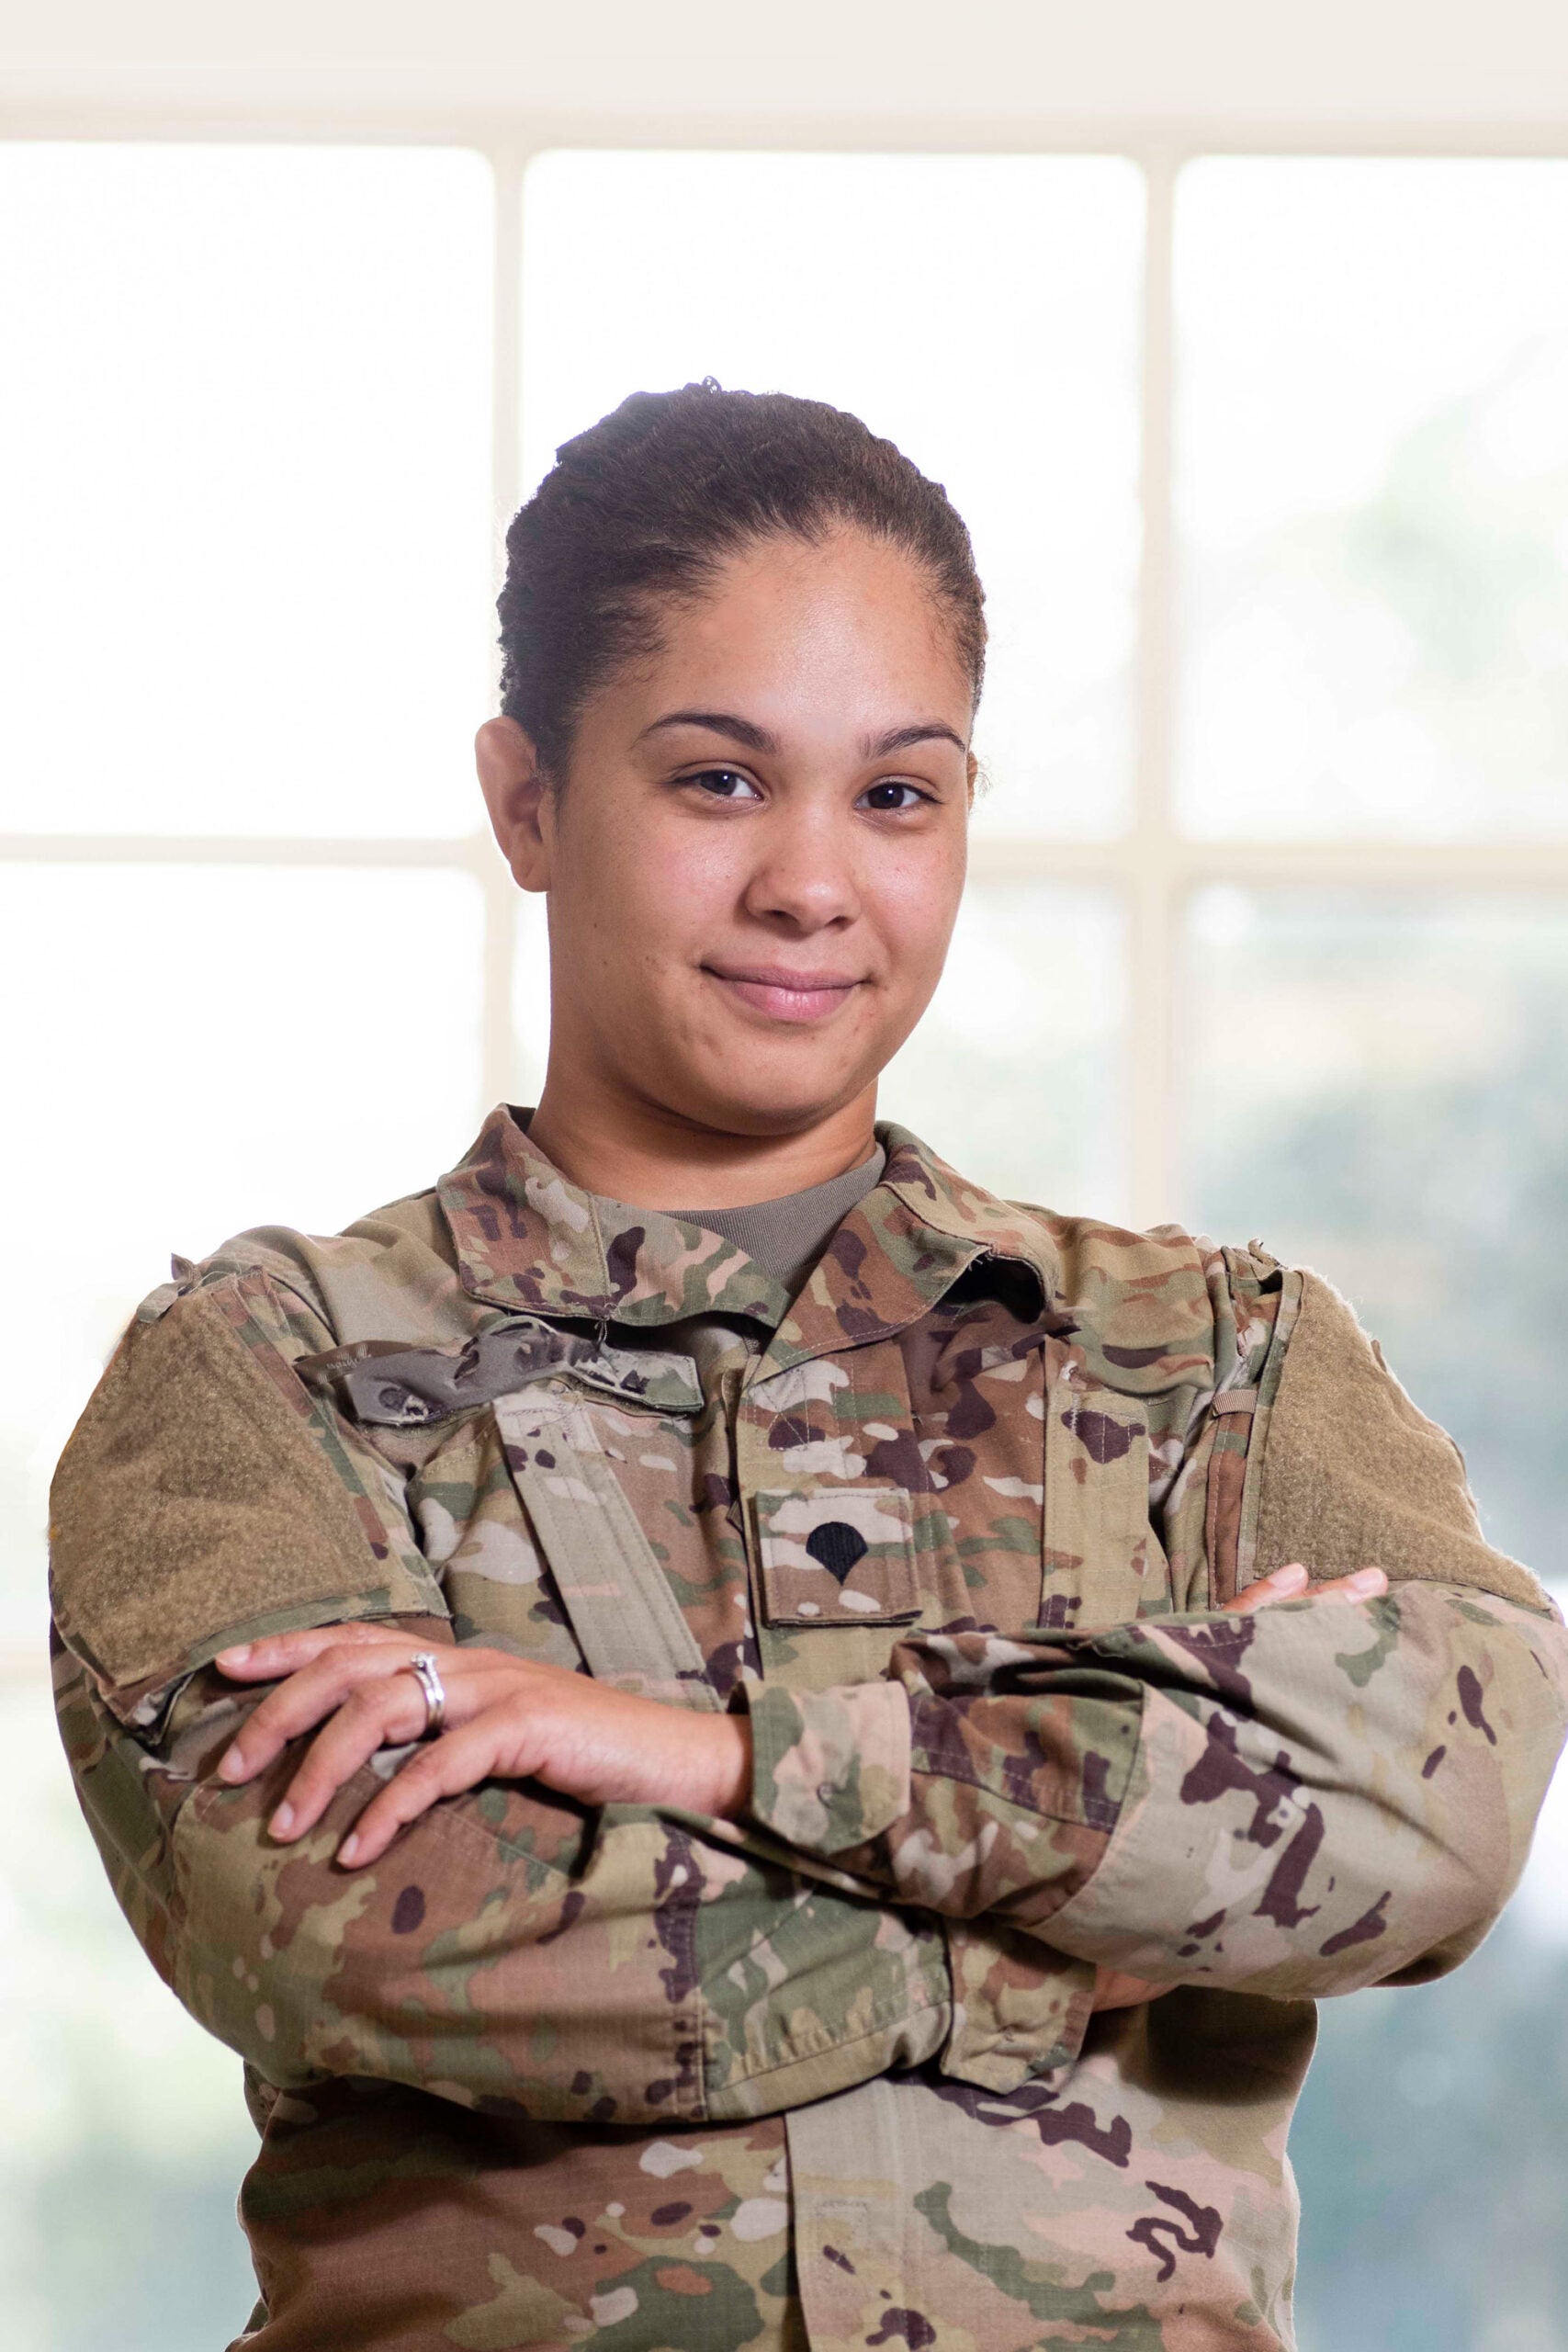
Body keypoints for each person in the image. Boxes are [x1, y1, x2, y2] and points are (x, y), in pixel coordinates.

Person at [50, 380, 1568, 2352]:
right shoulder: (260, 1378)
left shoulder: (1213, 1360)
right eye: (714, 779)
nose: (811, 883)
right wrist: (1084, 1903)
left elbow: (1437, 1800)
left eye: (896, 790)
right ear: (526, 798)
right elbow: (362, 1920)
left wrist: (712, 1757)